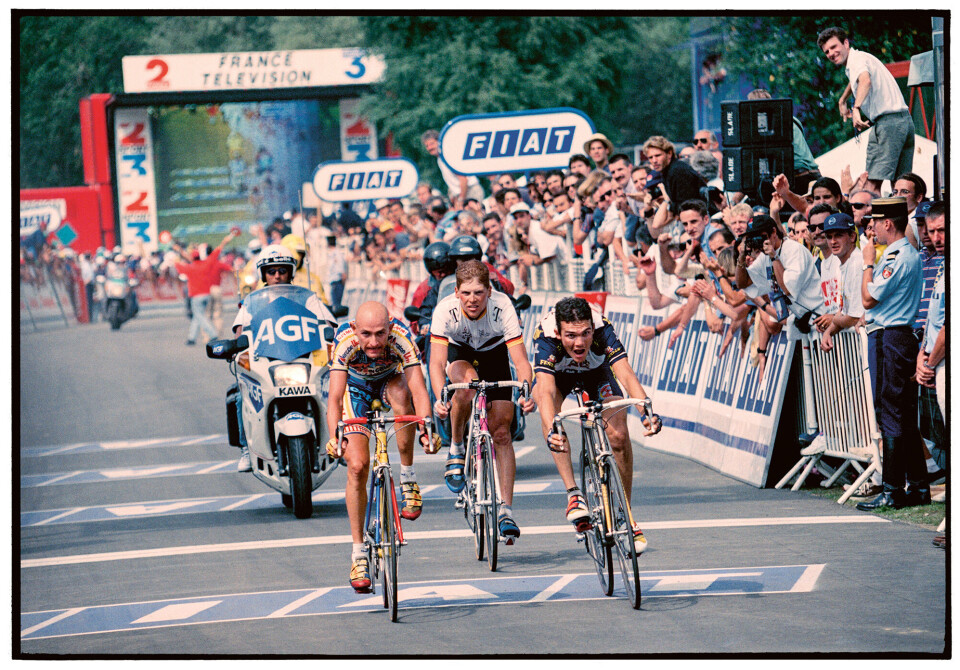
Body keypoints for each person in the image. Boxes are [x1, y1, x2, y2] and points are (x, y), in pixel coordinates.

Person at [532, 297, 661, 552]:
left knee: (619, 435)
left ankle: (625, 512)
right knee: (551, 419)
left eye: (585, 334)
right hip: (559, 377)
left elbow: (625, 373)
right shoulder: (545, 335)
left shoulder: (603, 329)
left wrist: (646, 410)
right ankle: (573, 494)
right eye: (570, 336)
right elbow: (546, 391)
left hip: (597, 373)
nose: (579, 343)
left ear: (592, 328)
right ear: (558, 332)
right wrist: (550, 430)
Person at [325, 302, 438, 592]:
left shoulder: (401, 339)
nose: (374, 342)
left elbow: (419, 390)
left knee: (402, 396)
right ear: (354, 330)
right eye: (366, 334)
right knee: (358, 465)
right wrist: (334, 438)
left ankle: (408, 477)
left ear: (390, 327)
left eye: (380, 333)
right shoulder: (344, 344)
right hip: (356, 390)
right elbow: (335, 398)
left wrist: (426, 428)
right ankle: (358, 553)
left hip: (390, 383)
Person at [429, 261, 536, 541]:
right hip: (460, 354)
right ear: (456, 292)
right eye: (466, 293)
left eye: (478, 292)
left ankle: (506, 511)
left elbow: (521, 360)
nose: (472, 299)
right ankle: (456, 445)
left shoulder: (503, 308)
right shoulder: (444, 311)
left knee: (502, 433)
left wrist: (526, 390)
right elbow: (437, 362)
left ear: (489, 291)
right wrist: (442, 394)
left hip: (495, 355)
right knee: (466, 387)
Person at [230, 244, 338, 472]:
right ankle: (247, 450)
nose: (277, 276)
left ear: (291, 272)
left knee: (337, 386)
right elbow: (239, 333)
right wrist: (236, 345)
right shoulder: (251, 303)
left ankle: (341, 439)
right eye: (271, 271)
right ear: (263, 275)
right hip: (267, 363)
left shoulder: (308, 299)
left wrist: (330, 334)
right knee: (242, 394)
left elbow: (328, 326)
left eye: (282, 270)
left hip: (303, 359)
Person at [854, 197, 925, 511]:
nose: (873, 228)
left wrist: (868, 262)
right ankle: (918, 487)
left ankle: (893, 489)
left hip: (889, 337)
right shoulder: (903, 254)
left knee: (890, 413)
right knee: (904, 415)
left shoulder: (896, 256)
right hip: (897, 336)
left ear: (887, 223)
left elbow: (868, 299)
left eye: (876, 221)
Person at [818, 26, 914, 192]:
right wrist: (843, 99)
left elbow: (865, 81)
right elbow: (856, 79)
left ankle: (867, 217)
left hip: (888, 124)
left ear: (846, 43)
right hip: (904, 121)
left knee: (871, 186)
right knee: (901, 187)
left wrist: (855, 109)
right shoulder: (861, 58)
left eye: (834, 47)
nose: (831, 54)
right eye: (827, 52)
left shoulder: (856, 61)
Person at [175, 229, 239, 345]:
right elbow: (221, 251)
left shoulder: (192, 266)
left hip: (200, 294)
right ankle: (193, 338)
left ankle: (211, 335)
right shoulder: (210, 262)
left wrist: (177, 252)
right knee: (215, 314)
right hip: (212, 291)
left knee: (202, 315)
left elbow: (180, 264)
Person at [818, 213, 865, 351]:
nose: (833, 241)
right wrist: (828, 331)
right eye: (829, 237)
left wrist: (834, 320)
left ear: (852, 236)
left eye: (838, 235)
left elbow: (854, 317)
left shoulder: (857, 262)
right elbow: (844, 311)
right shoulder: (845, 263)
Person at [642, 135, 707, 215]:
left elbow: (685, 206)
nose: (654, 160)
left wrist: (667, 204)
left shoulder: (678, 171)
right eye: (650, 158)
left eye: (658, 155)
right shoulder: (668, 171)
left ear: (669, 153)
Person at [421, 129, 484, 209]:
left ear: (439, 142)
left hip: (470, 191)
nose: (429, 147)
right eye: (427, 146)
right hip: (462, 194)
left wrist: (461, 200)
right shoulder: (440, 159)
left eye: (432, 144)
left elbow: (463, 179)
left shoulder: (448, 155)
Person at [325, 236, 346, 311]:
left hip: (337, 281)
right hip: (333, 281)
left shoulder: (337, 253)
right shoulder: (331, 253)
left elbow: (341, 267)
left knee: (337, 305)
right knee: (334, 304)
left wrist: (343, 277)